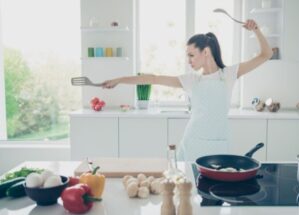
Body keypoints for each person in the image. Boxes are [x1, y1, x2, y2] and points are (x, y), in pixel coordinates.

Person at [102, 20, 273, 161]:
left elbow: (266, 54)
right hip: (193, 143)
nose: (188, 60)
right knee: (187, 193)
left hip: (219, 145)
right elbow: (153, 78)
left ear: (206, 51)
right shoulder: (192, 80)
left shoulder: (228, 74)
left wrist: (256, 30)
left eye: (191, 55)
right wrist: (120, 80)